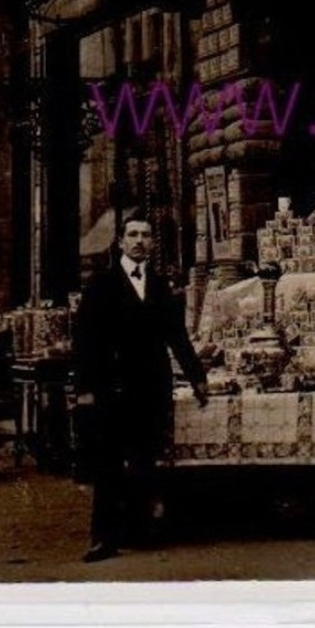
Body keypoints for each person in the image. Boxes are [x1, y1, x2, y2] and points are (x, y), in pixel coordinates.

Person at [73, 213, 209, 563]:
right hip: (112, 387)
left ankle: (137, 529)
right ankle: (103, 538)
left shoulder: (161, 286)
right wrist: (85, 389)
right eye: (132, 235)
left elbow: (176, 335)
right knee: (109, 465)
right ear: (120, 241)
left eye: (145, 235)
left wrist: (197, 376)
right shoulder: (100, 286)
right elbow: (85, 341)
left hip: (151, 386)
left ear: (152, 243)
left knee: (144, 460)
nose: (138, 241)